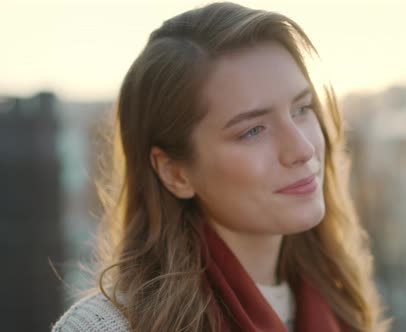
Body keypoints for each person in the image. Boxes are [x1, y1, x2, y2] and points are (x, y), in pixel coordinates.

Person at [51, 2, 388, 331]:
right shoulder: (105, 327)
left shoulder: (343, 306)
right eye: (253, 130)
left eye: (302, 108)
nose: (302, 148)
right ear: (175, 173)